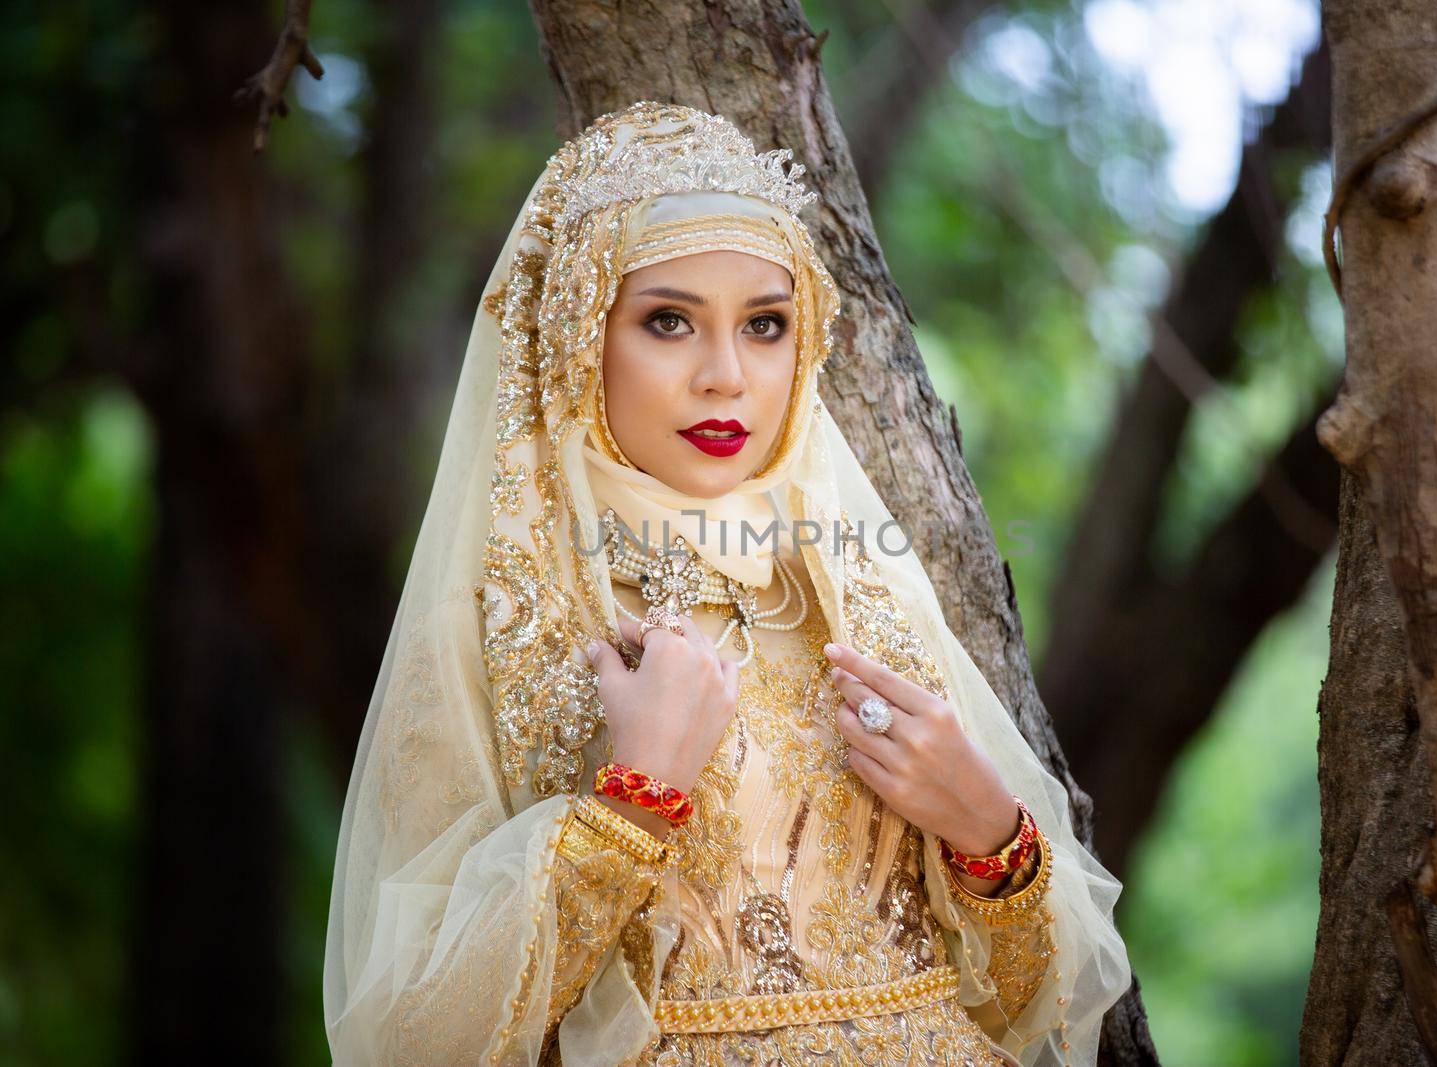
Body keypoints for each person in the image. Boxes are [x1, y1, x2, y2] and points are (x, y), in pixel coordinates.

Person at [323, 100, 1130, 1066]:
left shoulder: (852, 582)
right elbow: (419, 1034)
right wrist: (631, 803)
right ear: (582, 331)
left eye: (765, 324)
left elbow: (1029, 1007)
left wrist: (988, 832)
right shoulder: (504, 609)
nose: (726, 376)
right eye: (669, 321)